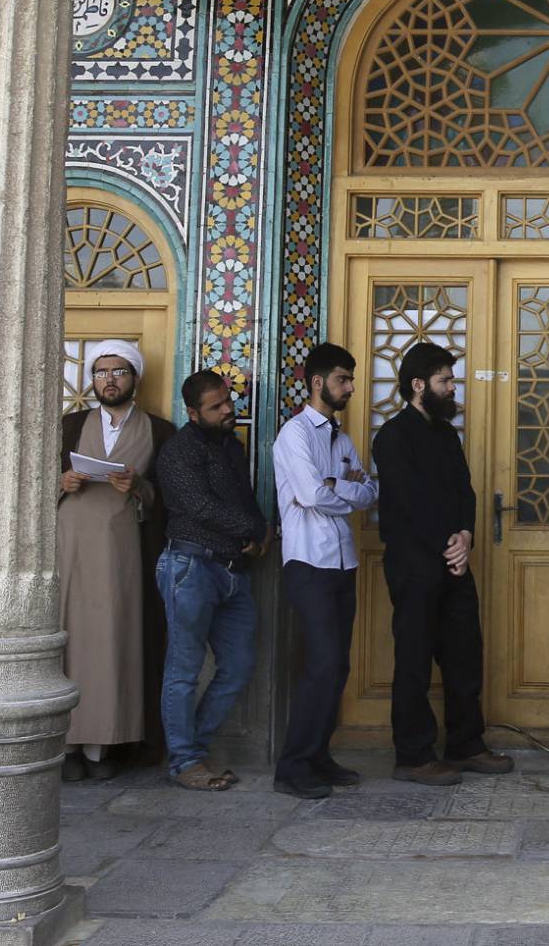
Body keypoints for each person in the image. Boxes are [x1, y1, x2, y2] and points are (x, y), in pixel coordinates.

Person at [370, 342, 513, 786]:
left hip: (454, 561)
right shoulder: (391, 437)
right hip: (414, 565)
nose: (453, 388)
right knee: (414, 658)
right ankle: (413, 756)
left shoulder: (446, 435)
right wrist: (447, 544)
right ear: (418, 385)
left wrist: (466, 535)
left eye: (452, 380)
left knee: (463, 654)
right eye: (445, 381)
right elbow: (410, 502)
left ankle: (466, 744)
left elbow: (463, 492)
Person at [57, 339, 173, 782]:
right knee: (70, 640)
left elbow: (168, 497)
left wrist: (138, 488)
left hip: (125, 555)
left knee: (114, 642)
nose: (109, 380)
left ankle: (104, 746)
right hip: (70, 550)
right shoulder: (70, 426)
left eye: (119, 372)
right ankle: (67, 744)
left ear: (135, 378)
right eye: (101, 372)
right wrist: (62, 481)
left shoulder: (160, 432)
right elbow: (32, 483)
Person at [271, 342, 377, 798]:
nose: (350, 388)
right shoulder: (294, 435)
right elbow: (313, 496)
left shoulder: (343, 437)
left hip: (343, 561)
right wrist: (337, 488)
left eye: (350, 380)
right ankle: (292, 768)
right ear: (317, 382)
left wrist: (338, 486)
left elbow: (370, 491)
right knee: (323, 663)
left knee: (337, 667)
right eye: (342, 379)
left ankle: (318, 755)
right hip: (308, 562)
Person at [153, 370, 267, 791]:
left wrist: (260, 531)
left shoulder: (230, 447)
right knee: (183, 670)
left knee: (238, 666)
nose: (227, 411)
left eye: (228, 402)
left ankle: (194, 751)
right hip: (190, 568)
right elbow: (199, 507)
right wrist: (252, 530)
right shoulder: (177, 452)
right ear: (192, 412)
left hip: (233, 572)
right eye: (216, 406)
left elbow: (244, 498)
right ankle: (184, 761)